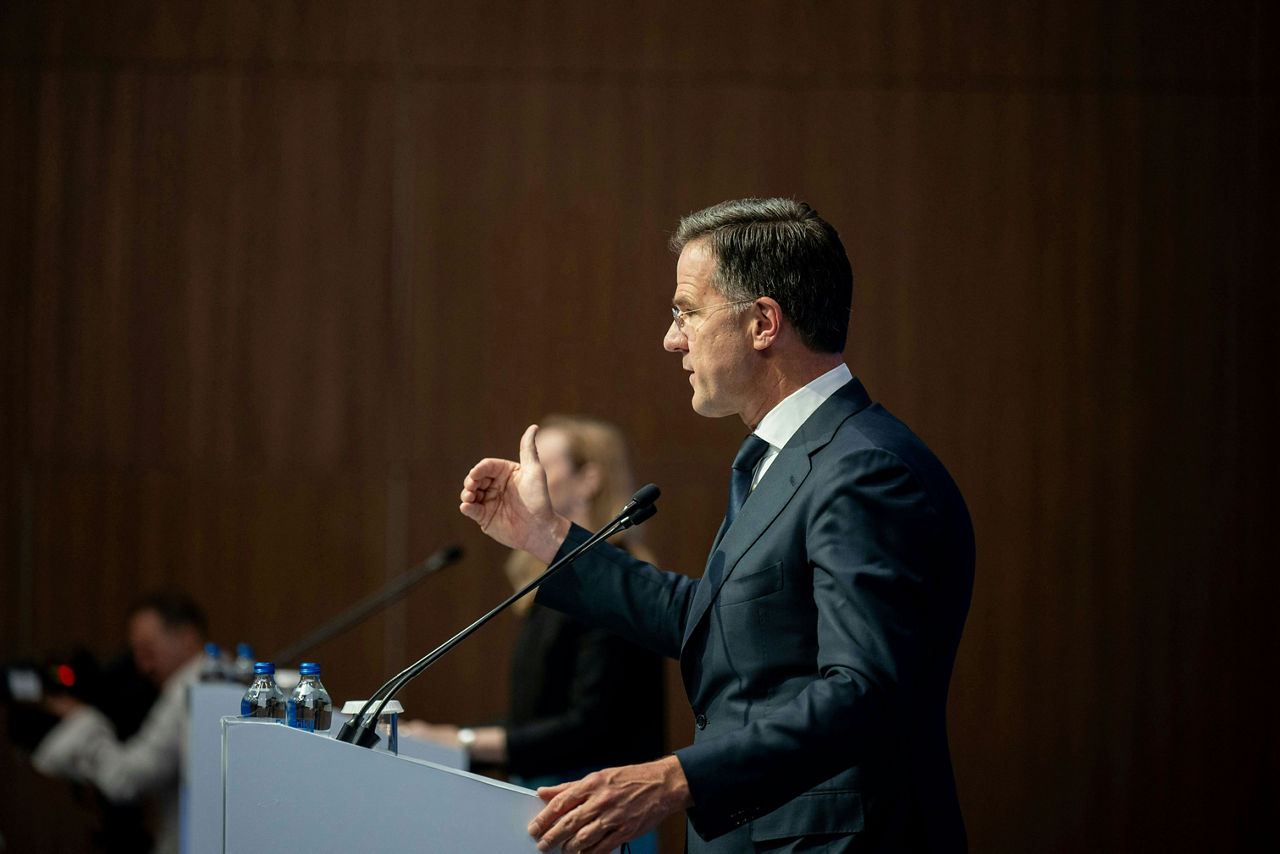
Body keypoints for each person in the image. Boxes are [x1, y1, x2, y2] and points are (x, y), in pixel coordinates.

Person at [459, 198, 975, 853]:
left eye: (687, 312)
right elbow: (708, 619)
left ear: (763, 323)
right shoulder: (775, 460)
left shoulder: (865, 470)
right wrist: (545, 538)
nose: (672, 338)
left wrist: (678, 777)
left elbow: (863, 691)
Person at [405, 416, 666, 852]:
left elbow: (591, 726)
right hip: (544, 803)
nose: (527, 479)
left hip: (599, 812)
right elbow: (535, 716)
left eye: (541, 466)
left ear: (589, 479)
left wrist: (464, 741)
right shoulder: (554, 578)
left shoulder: (618, 581)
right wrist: (449, 737)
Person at [32, 591, 208, 854]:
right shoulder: (220, 676)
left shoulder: (188, 690)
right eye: (136, 652)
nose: (142, 665)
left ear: (188, 639)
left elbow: (126, 780)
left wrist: (82, 720)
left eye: (148, 650)